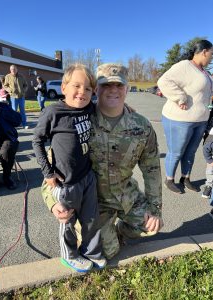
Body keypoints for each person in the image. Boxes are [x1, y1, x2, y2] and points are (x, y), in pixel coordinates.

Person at [41, 63, 163, 260]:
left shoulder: (141, 126)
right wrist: (53, 201)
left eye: (119, 86)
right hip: (93, 204)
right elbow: (52, 167)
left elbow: (152, 169)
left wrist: (155, 208)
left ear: (127, 89)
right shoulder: (77, 121)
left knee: (152, 226)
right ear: (96, 89)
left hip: (126, 195)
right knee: (106, 252)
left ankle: (120, 230)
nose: (113, 90)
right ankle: (104, 234)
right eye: (106, 85)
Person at [32, 64, 106, 272]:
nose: (82, 92)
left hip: (87, 176)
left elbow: (103, 107)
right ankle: (70, 255)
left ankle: (91, 252)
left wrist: (127, 108)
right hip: (66, 180)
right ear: (64, 87)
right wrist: (48, 173)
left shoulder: (89, 108)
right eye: (76, 86)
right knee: (68, 220)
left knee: (91, 219)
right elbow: (37, 141)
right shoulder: (53, 112)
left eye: (88, 89)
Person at [158, 40, 213, 194]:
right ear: (204, 52)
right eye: (211, 53)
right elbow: (163, 81)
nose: (212, 57)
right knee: (176, 151)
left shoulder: (204, 72)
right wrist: (180, 97)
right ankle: (169, 179)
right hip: (180, 119)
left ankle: (185, 177)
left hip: (200, 120)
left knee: (190, 152)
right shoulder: (184, 66)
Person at [0, 82, 21, 193]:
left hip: (6, 139)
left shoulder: (3, 106)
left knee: (7, 150)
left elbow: (18, 120)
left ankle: (7, 177)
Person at [4, 65, 28, 129]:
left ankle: (24, 124)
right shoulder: (7, 76)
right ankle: (15, 124)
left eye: (14, 69)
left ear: (17, 69)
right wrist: (10, 90)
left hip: (21, 96)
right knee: (14, 111)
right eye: (12, 69)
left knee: (22, 111)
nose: (13, 70)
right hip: (13, 97)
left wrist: (23, 91)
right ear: (10, 70)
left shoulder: (21, 76)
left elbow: (26, 85)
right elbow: (5, 86)